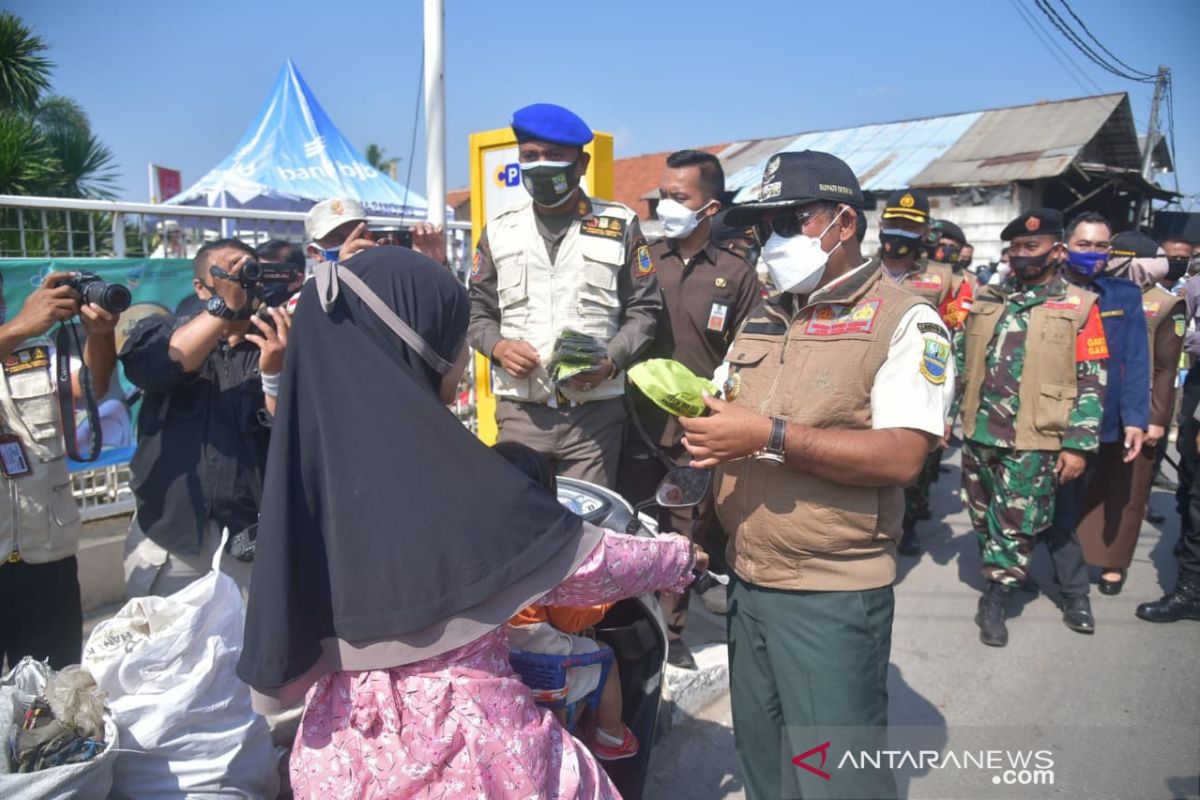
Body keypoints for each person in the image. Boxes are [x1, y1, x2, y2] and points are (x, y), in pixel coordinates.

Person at [236, 245, 706, 798]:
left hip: (337, 755)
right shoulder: (436, 471)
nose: (465, 360)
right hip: (465, 750)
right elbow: (583, 562)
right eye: (456, 341)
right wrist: (682, 558)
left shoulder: (307, 463)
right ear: (419, 346)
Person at [678, 151, 953, 800]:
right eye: (764, 224)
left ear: (845, 223)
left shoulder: (903, 320)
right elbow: (727, 426)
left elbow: (903, 457)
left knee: (837, 780)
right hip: (748, 582)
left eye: (791, 220)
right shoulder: (766, 316)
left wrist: (769, 436)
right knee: (767, 767)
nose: (773, 238)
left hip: (830, 594)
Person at [616, 149, 760, 669]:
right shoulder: (644, 259)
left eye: (679, 198)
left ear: (710, 207)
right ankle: (630, 623)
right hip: (634, 423)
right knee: (632, 525)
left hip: (696, 433)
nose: (666, 206)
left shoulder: (737, 275)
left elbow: (748, 355)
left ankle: (672, 635)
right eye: (663, 196)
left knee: (684, 530)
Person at [468, 103, 662, 487]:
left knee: (588, 527)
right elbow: (477, 312)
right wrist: (499, 347)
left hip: (594, 419)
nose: (541, 165)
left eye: (555, 155)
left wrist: (610, 360)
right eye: (530, 156)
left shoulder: (619, 224)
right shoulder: (500, 230)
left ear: (582, 164)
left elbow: (646, 310)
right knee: (520, 524)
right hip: (521, 414)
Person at [954, 209, 1107, 647]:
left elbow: (1093, 380)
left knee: (1017, 523)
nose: (1021, 256)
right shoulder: (989, 297)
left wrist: (1078, 445)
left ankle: (996, 598)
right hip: (979, 431)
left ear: (1057, 251)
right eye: (1015, 248)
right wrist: (948, 421)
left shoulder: (1080, 306)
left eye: (1031, 247)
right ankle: (1006, 574)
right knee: (981, 516)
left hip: (1035, 437)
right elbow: (964, 363)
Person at [120, 238, 291, 598]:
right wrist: (224, 307)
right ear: (201, 286)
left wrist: (276, 374)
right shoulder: (162, 331)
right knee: (164, 651)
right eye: (230, 268)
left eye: (249, 268)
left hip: (252, 541)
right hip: (170, 537)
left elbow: (292, 432)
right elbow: (156, 368)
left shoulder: (279, 344)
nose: (242, 277)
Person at [1, 270, 120, 668]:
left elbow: (92, 384)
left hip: (46, 558)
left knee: (52, 698)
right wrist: (18, 327)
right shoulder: (18, 333)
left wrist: (101, 335)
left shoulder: (33, 351)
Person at [497, 441, 636, 761]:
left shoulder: (476, 541)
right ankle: (611, 735)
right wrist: (611, 594)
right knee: (603, 655)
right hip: (543, 662)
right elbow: (571, 619)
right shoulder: (546, 549)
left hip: (502, 660)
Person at [1041, 212, 1146, 630]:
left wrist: (1136, 418)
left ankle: (1074, 594)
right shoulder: (1045, 290)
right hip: (1046, 417)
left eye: (1102, 246)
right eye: (1085, 245)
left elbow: (1137, 359)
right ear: (1065, 248)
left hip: (1099, 421)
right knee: (1048, 504)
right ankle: (1035, 578)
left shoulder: (1124, 295)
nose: (1095, 254)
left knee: (1072, 505)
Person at [1076, 233, 1180, 596]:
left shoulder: (1165, 304)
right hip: (1094, 402)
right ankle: (1071, 557)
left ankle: (1113, 564)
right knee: (1082, 486)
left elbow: (1165, 368)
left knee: (1126, 492)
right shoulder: (1092, 291)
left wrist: (1156, 417)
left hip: (1139, 406)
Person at [875, 191, 967, 556]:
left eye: (910, 227)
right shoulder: (860, 271)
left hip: (917, 385)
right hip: (867, 380)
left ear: (925, 231)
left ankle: (907, 525)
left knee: (912, 466)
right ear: (881, 225)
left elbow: (950, 343)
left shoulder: (945, 280)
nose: (900, 233)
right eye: (894, 224)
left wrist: (946, 409)